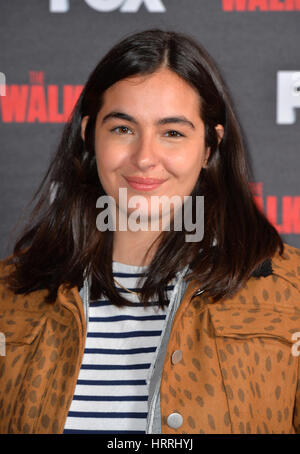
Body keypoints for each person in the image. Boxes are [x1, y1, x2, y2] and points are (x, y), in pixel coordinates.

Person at [0, 28, 300, 435]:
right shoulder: (9, 296)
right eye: (123, 128)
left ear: (210, 147)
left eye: (172, 133)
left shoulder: (290, 291)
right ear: (89, 134)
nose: (144, 158)